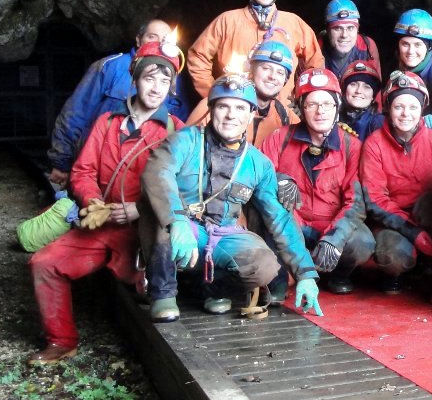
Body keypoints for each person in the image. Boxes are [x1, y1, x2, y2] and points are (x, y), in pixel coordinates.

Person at [28, 41, 185, 364]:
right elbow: (83, 170)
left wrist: (139, 210)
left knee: (149, 293)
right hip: (101, 226)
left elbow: (182, 189)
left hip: (143, 234)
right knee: (44, 263)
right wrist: (94, 202)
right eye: (149, 78)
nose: (156, 88)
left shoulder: (177, 132)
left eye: (164, 80)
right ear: (135, 79)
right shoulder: (107, 124)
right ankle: (61, 341)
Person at [138, 74, 322, 322]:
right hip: (181, 230)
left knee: (264, 265)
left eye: (240, 108)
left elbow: (279, 218)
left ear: (250, 114)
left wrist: (306, 274)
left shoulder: (257, 163)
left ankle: (212, 289)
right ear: (212, 110)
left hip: (220, 236)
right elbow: (158, 172)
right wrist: (178, 220)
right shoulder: (187, 139)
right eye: (223, 106)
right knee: (157, 209)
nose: (230, 115)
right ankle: (163, 293)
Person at [260, 68, 375, 297]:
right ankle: (293, 272)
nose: (320, 111)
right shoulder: (279, 138)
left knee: (362, 241)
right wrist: (279, 180)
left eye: (327, 104)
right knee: (279, 282)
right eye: (312, 104)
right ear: (301, 108)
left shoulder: (351, 145)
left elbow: (356, 201)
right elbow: (259, 179)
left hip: (331, 223)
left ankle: (337, 274)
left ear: (337, 106)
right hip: (295, 224)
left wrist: (334, 238)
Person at [47, 19, 189, 188]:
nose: (158, 44)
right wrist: (61, 160)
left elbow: (179, 131)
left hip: (145, 176)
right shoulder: (110, 67)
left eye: (164, 39)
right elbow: (76, 112)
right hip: (97, 165)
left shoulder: (176, 82)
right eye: (152, 37)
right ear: (138, 39)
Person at [359, 72, 432, 298]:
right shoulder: (375, 144)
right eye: (398, 107)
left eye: (413, 107)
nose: (406, 114)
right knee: (393, 256)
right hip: (394, 220)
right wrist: (413, 232)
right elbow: (374, 199)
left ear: (422, 109)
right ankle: (397, 272)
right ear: (388, 109)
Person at [187, 0, 323, 100]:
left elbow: (315, 64)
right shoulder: (227, 21)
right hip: (234, 110)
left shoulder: (294, 23)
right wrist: (214, 95)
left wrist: (302, 99)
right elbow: (197, 57)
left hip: (279, 112)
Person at [184, 40, 299, 147]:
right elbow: (184, 147)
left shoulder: (286, 117)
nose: (272, 76)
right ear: (252, 71)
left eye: (280, 72)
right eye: (266, 68)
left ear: (285, 80)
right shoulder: (214, 106)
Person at [319, 0, 381, 80]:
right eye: (337, 28)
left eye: (350, 28)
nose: (344, 35)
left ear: (357, 29)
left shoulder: (367, 46)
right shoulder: (317, 47)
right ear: (327, 30)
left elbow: (375, 85)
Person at [339, 59, 385, 141]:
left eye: (366, 87)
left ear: (373, 96)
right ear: (345, 90)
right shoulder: (333, 117)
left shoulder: (378, 123)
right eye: (353, 84)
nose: (358, 91)